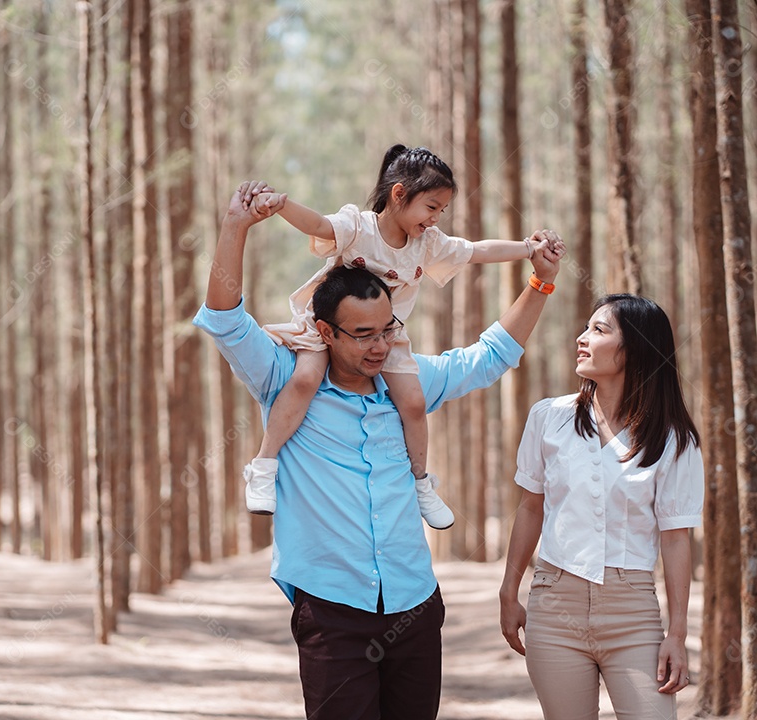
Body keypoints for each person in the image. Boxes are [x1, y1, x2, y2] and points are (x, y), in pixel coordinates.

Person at [194, 180, 564, 720]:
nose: (379, 346)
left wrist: (541, 283)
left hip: (414, 604)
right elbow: (225, 319)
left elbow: (489, 356)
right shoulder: (283, 380)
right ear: (324, 332)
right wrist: (235, 228)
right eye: (362, 334)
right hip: (331, 609)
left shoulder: (407, 382)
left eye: (387, 330)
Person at [242, 144, 551, 530]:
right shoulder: (359, 227)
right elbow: (319, 225)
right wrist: (279, 205)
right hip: (329, 329)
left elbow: (475, 250)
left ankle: (421, 481)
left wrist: (527, 249)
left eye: (442, 210)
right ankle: (264, 464)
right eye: (431, 207)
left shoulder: (429, 243)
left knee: (415, 403)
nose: (436, 218)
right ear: (399, 194)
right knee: (305, 379)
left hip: (388, 337)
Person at [498, 294, 704, 720]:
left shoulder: (673, 440)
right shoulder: (548, 418)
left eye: (599, 330)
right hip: (554, 606)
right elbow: (530, 508)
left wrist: (677, 634)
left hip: (633, 613)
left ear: (637, 348)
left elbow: (676, 538)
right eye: (586, 327)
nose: (581, 338)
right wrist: (509, 589)